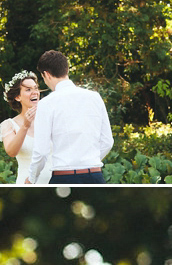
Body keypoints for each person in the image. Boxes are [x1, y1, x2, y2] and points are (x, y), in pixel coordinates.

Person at [28, 49, 113, 184]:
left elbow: (42, 152)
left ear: (46, 75)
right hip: (95, 176)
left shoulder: (46, 104)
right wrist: (88, 161)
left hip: (64, 177)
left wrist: (31, 178)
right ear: (66, 69)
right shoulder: (95, 98)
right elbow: (108, 142)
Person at [0, 71, 51, 184]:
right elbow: (11, 151)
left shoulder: (49, 119)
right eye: (28, 90)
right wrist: (25, 126)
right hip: (27, 183)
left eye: (35, 88)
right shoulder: (9, 124)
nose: (35, 92)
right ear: (18, 97)